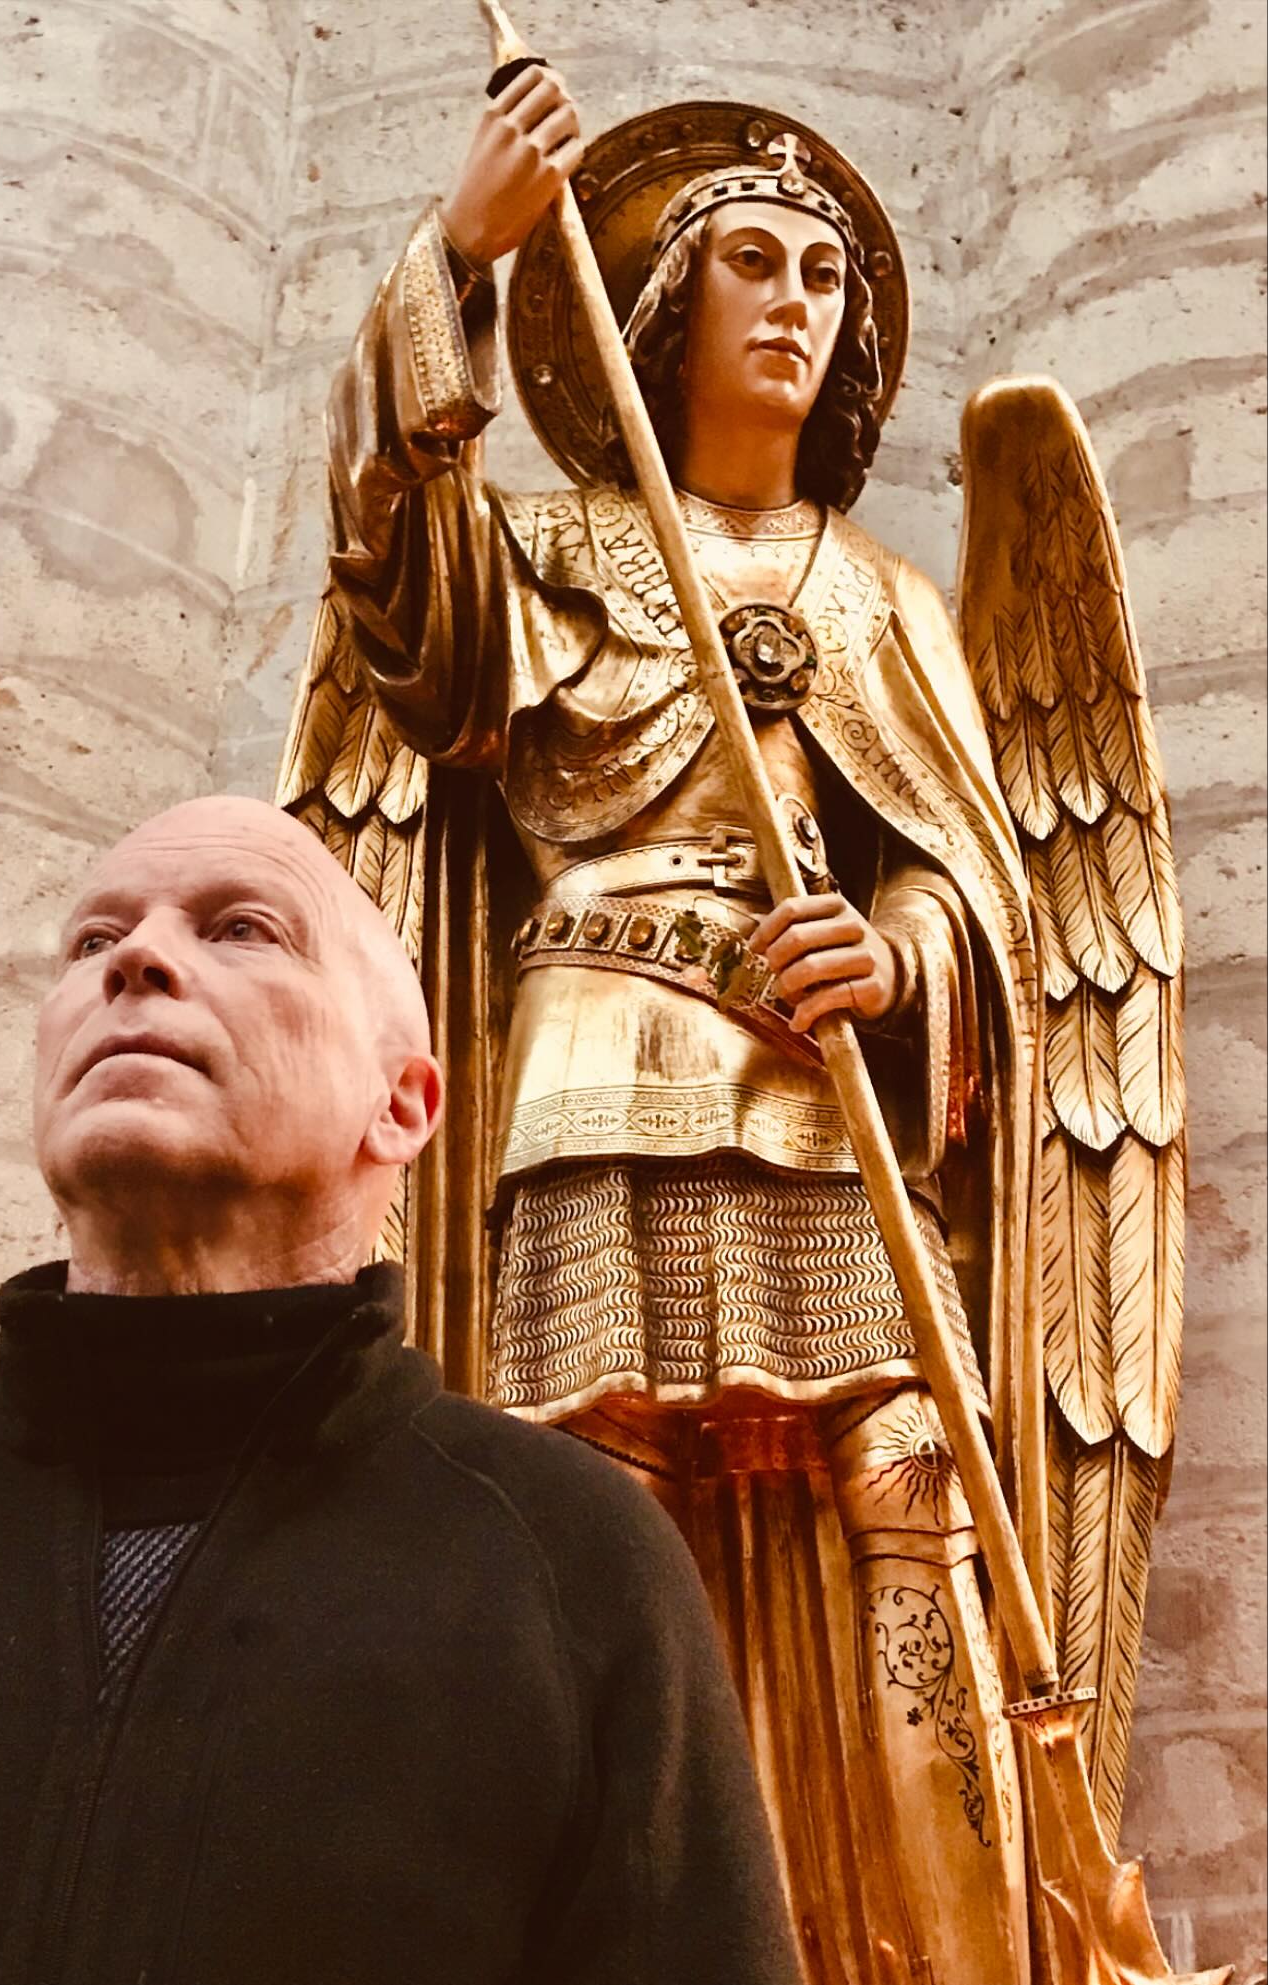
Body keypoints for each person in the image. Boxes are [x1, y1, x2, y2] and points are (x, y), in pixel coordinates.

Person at [280, 57, 1185, 1983]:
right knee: (592, 1525)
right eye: (749, 263)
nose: (792, 300)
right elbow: (400, 612)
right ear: (663, 305)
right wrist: (458, 254)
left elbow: (980, 887)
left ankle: (954, 1958)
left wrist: (907, 954)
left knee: (916, 1496)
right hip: (596, 1091)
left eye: (823, 277)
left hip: (815, 1108)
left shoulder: (883, 605)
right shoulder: (547, 557)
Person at [0, 794, 800, 1985]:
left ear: (402, 1102)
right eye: (93, 941)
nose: (139, 961)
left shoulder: (569, 1560)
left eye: (243, 928)